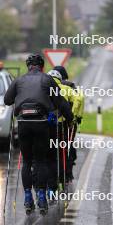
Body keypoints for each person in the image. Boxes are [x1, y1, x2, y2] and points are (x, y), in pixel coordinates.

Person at [4, 54, 73, 214]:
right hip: (41, 123)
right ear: (42, 66)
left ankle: (28, 198)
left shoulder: (19, 80)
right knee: (41, 161)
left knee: (27, 162)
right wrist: (69, 119)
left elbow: (7, 100)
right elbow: (60, 103)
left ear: (28, 66)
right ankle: (42, 197)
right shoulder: (47, 80)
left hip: (23, 124)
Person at [47, 69, 81, 190]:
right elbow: (79, 99)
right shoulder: (67, 88)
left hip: (44, 125)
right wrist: (75, 116)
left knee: (47, 153)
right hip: (62, 124)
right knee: (62, 152)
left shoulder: (43, 87)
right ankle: (63, 178)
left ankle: (45, 184)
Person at [53, 66, 84, 180]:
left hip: (57, 121)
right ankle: (68, 173)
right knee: (68, 146)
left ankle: (57, 173)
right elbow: (80, 99)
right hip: (70, 122)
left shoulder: (53, 86)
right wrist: (77, 116)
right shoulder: (71, 86)